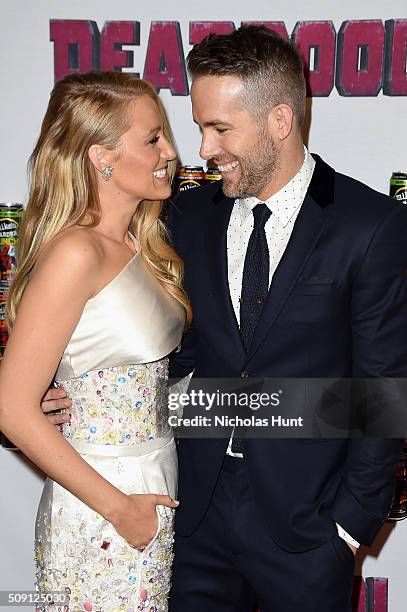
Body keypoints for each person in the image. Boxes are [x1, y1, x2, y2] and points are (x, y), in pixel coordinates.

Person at [42, 27, 407, 611]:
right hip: (193, 514)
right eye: (199, 127)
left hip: (307, 527)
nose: (203, 149)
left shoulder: (370, 225)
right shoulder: (187, 216)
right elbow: (161, 350)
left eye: (220, 128)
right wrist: (65, 393)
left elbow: (383, 388)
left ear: (280, 122)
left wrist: (347, 528)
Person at [0, 71, 191, 611]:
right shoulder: (76, 253)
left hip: (152, 479)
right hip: (103, 501)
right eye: (152, 138)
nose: (171, 152)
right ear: (100, 156)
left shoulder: (139, 242)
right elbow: (13, 407)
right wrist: (122, 511)